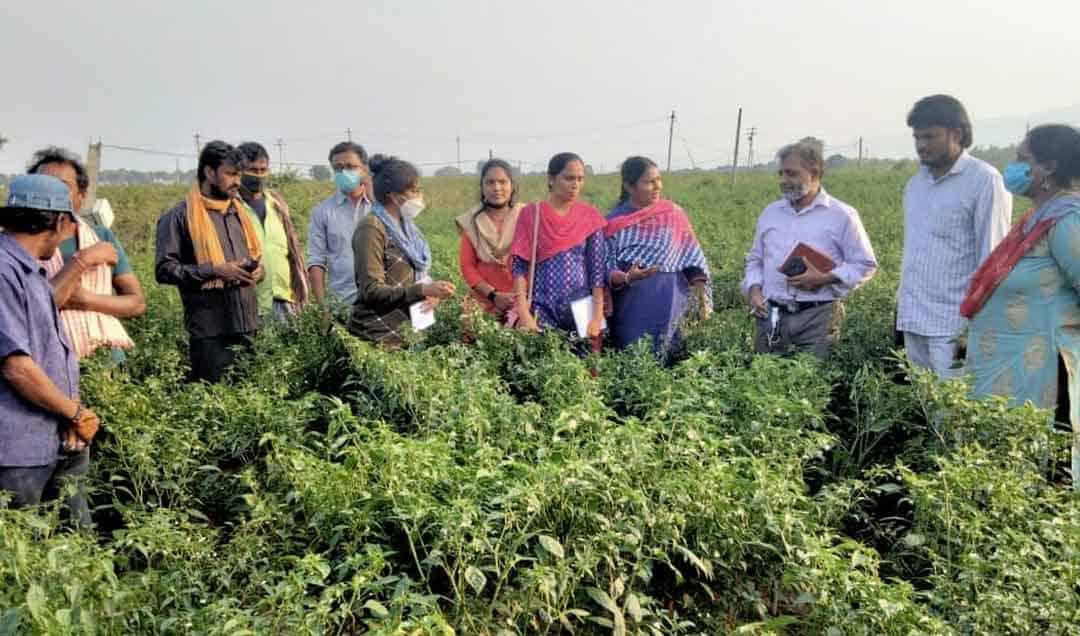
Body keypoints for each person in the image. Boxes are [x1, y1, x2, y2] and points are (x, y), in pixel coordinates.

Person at [961, 124, 1080, 489]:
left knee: (1043, 476)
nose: (1013, 167)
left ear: (1048, 167)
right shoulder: (1037, 218)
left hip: (1044, 373)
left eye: (1022, 159)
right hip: (1011, 373)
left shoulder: (1067, 219)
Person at [0, 174, 100, 527]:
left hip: (53, 439)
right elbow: (17, 367)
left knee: (73, 551)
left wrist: (70, 417)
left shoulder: (29, 271)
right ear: (60, 221)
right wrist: (75, 413)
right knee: (21, 558)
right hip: (17, 450)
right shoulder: (4, 271)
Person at [898, 94, 1012, 378]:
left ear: (957, 134)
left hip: (953, 325)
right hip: (913, 319)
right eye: (917, 137)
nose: (921, 145)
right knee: (923, 411)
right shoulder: (916, 184)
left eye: (930, 136)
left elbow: (993, 258)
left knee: (954, 414)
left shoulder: (984, 180)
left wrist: (975, 325)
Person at [742, 141, 878, 359]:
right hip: (772, 313)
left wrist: (824, 278)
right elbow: (755, 259)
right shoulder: (770, 213)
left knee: (813, 383)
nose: (784, 180)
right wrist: (754, 290)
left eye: (791, 173)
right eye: (781, 173)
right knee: (766, 380)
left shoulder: (842, 215)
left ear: (814, 173)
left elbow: (865, 265)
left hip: (818, 316)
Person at [155, 141, 264, 383]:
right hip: (210, 333)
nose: (237, 181)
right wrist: (214, 271)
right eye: (230, 174)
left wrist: (259, 272)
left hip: (249, 326)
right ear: (208, 172)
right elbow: (164, 270)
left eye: (239, 175)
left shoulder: (240, 213)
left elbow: (255, 259)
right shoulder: (178, 217)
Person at [28, 147, 145, 361]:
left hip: (105, 358)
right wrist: (84, 259)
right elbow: (35, 307)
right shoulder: (18, 244)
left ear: (81, 196)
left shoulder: (100, 237)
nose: (51, 194)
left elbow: (136, 303)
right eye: (43, 186)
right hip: (47, 362)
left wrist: (86, 300)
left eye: (62, 187)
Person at [604, 156, 712, 358]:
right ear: (629, 186)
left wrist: (700, 292)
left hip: (670, 298)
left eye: (659, 180)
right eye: (649, 182)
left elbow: (690, 254)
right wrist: (627, 277)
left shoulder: (673, 213)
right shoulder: (612, 223)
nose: (657, 186)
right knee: (633, 355)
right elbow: (604, 267)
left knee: (669, 351)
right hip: (632, 302)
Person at [348, 155, 454, 346]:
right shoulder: (372, 228)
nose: (419, 195)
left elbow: (414, 279)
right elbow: (371, 291)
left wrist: (431, 294)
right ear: (394, 196)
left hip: (407, 334)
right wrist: (422, 289)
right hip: (376, 338)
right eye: (414, 190)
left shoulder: (408, 229)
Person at [510, 152, 607, 340]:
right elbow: (519, 266)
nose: (575, 185)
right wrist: (523, 312)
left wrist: (596, 316)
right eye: (569, 178)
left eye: (580, 179)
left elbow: (597, 271)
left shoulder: (590, 216)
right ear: (551, 179)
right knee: (543, 362)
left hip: (581, 307)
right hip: (542, 306)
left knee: (585, 365)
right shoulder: (532, 214)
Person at [236, 142, 309, 322]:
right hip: (248, 302)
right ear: (239, 170)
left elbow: (291, 250)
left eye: (263, 170)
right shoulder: (231, 206)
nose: (259, 175)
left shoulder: (276, 203)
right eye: (253, 170)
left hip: (284, 299)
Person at [307, 141, 372, 311]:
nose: (344, 172)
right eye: (338, 168)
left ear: (364, 169)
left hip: (383, 302)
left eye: (351, 167)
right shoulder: (323, 212)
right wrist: (323, 309)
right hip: (343, 304)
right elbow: (316, 262)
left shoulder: (381, 207)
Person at [456, 159, 523, 320]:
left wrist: (520, 299)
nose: (497, 188)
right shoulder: (472, 221)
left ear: (512, 185)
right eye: (490, 182)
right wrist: (494, 296)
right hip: (483, 303)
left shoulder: (526, 217)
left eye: (502, 182)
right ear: (482, 187)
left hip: (521, 303)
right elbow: (467, 266)